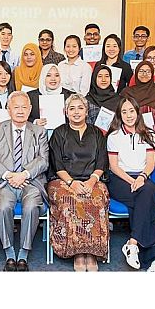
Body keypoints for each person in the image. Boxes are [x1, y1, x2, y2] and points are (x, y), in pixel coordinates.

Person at [0, 91, 49, 272]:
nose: (20, 111)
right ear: (8, 109)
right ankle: (9, 252)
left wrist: (24, 175)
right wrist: (8, 175)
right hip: (4, 182)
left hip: (31, 182)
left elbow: (43, 160)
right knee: (3, 206)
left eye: (24, 107)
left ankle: (24, 253)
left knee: (31, 206)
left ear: (30, 109)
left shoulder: (39, 132)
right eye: (16, 107)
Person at [48, 94, 109, 271]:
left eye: (80, 108)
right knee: (70, 201)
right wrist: (71, 182)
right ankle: (78, 253)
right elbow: (56, 163)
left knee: (96, 199)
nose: (76, 112)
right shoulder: (59, 133)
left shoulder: (97, 133)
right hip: (62, 180)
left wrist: (91, 181)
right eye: (72, 108)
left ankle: (92, 253)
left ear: (86, 111)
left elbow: (101, 161)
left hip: (92, 179)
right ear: (66, 112)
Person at [106, 97, 155, 271]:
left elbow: (150, 164)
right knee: (149, 201)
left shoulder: (149, 134)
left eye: (132, 111)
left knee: (145, 196)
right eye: (124, 112)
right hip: (120, 179)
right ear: (119, 115)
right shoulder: (113, 136)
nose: (129, 115)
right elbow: (114, 167)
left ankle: (133, 243)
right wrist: (132, 181)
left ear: (138, 112)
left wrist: (141, 178)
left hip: (142, 178)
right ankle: (154, 258)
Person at [120, 61, 155, 135]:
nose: (144, 74)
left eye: (148, 71)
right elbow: (120, 116)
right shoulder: (126, 92)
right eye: (141, 71)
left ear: (152, 74)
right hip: (127, 135)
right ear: (136, 73)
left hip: (150, 135)